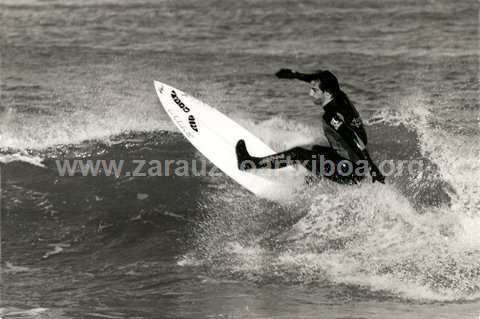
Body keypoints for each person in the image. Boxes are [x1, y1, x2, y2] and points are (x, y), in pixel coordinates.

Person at [235, 68, 385, 184]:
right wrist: (295, 75)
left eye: (315, 90)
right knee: (315, 149)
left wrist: (372, 167)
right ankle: (309, 184)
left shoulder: (332, 115)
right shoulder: (339, 96)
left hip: (349, 171)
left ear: (326, 93)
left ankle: (249, 164)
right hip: (351, 165)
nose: (310, 93)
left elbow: (353, 138)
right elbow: (316, 80)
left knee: (298, 154)